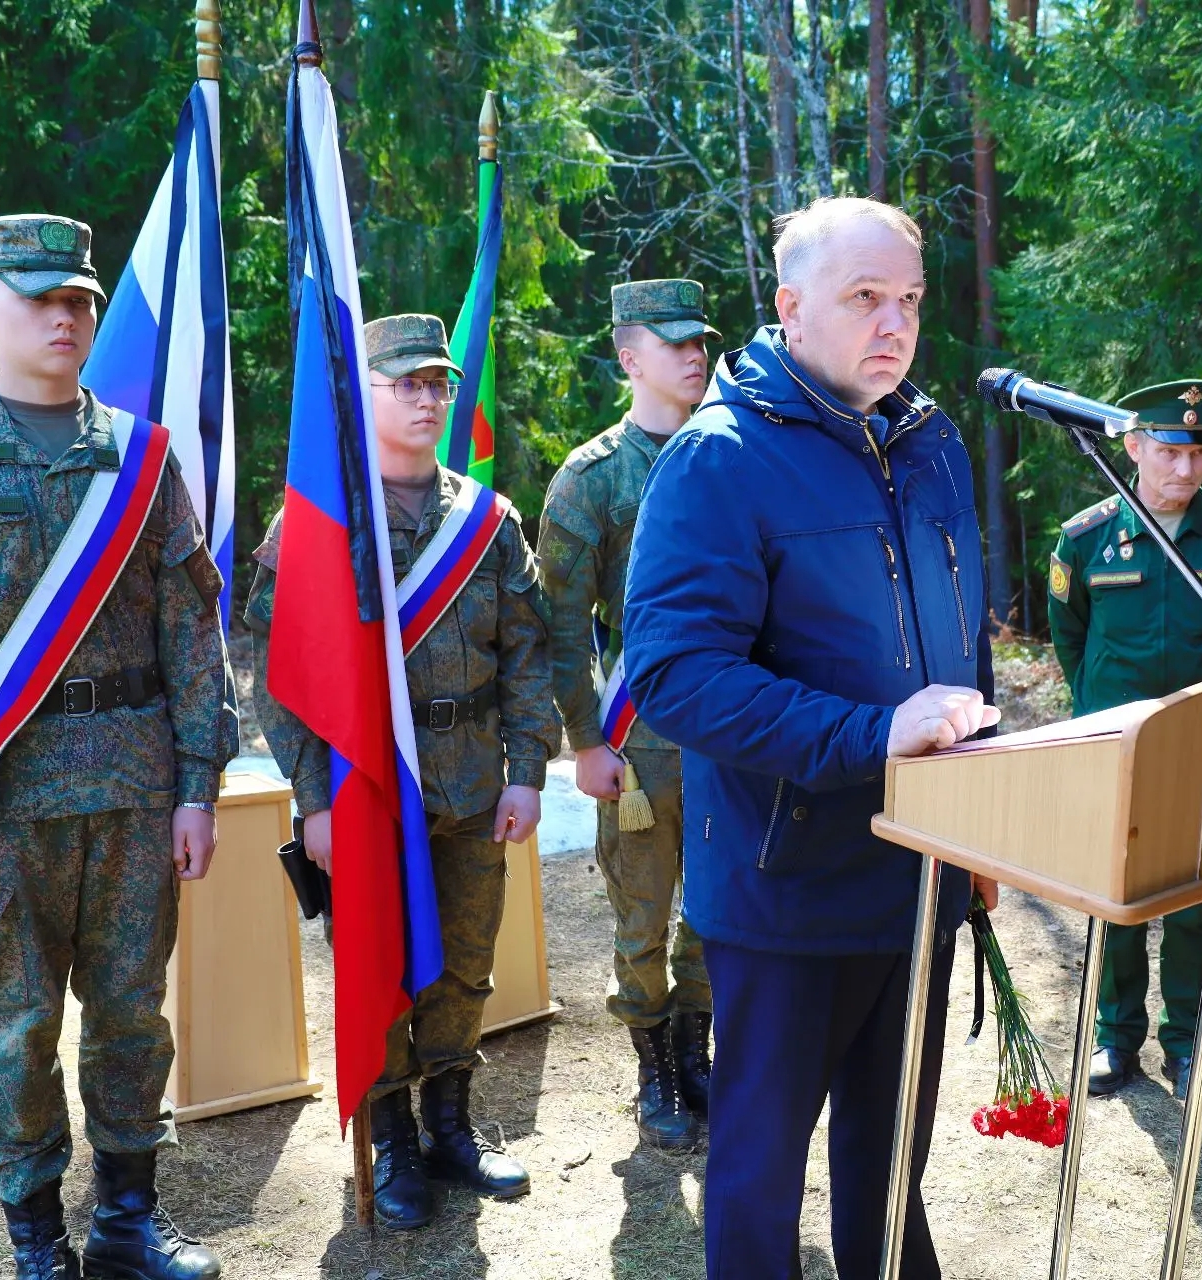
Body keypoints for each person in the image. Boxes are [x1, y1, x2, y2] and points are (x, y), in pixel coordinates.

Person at [0, 215, 236, 1280]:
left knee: (129, 1014)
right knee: (16, 1028)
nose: (63, 316)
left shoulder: (144, 459)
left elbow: (192, 634)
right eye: (37, 297)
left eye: (79, 300)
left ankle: (126, 1221)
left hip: (134, 786)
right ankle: (35, 1239)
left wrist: (200, 784)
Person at [623, 196, 1000, 1280]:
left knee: (890, 1170)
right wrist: (875, 734)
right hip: (786, 884)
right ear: (790, 308)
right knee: (757, 1180)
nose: (896, 324)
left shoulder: (929, 443)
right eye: (865, 297)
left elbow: (959, 655)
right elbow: (676, 677)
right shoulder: (719, 459)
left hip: (918, 879)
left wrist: (981, 822)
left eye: (911, 300)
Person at [245, 314, 560, 1227]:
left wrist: (528, 768)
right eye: (406, 384)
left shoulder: (487, 522)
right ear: (366, 395)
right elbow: (281, 673)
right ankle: (392, 1146)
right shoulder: (319, 522)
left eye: (439, 384)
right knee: (380, 966)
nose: (427, 398)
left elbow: (528, 653)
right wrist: (314, 801)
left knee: (465, 966)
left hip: (469, 780)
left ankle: (451, 1125)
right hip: (368, 790)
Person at [1046, 380, 1202, 1112]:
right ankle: (1117, 1035)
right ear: (1135, 446)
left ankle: (1187, 1045)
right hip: (1116, 746)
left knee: (1195, 899)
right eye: (1171, 451)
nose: (1186, 468)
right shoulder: (1085, 538)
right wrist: (1099, 711)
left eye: (1199, 451)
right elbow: (1070, 638)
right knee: (1119, 893)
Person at [537, 279, 720, 1152]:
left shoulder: (736, 454)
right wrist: (584, 741)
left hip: (734, 731)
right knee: (643, 915)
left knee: (720, 907)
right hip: (640, 739)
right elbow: (562, 627)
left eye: (702, 341)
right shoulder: (591, 478)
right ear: (628, 355)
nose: (696, 355)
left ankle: (697, 1051)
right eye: (675, 341)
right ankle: (653, 1067)